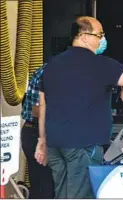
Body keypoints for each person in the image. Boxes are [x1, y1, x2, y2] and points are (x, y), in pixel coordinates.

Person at [34, 16, 123, 199]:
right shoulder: (98, 63)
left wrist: (42, 141)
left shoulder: (51, 65)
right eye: (99, 35)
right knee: (80, 195)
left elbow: (43, 104)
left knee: (62, 194)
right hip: (83, 145)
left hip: (55, 144)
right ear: (84, 36)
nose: (102, 40)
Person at [21, 64, 54, 199]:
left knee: (46, 185)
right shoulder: (47, 72)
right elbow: (37, 110)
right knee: (43, 186)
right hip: (36, 132)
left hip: (40, 132)